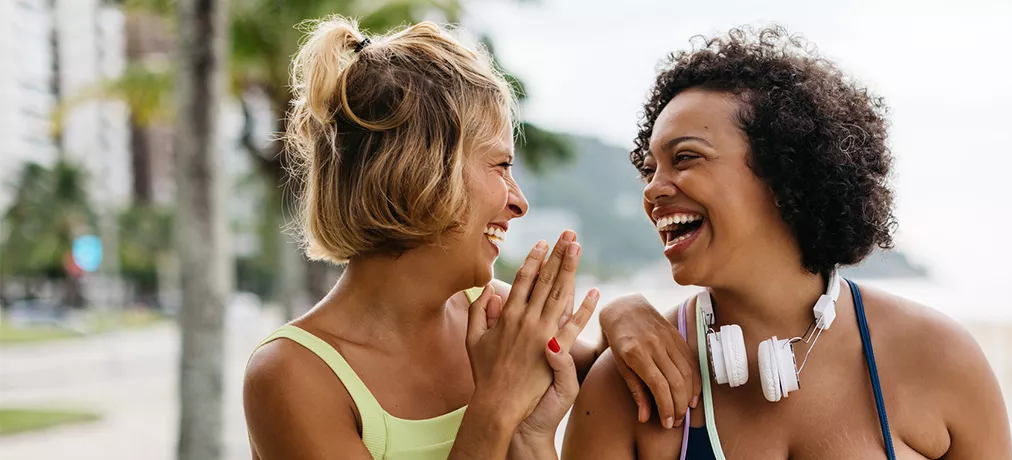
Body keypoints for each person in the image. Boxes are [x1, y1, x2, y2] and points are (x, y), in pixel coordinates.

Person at [243, 17, 696, 460]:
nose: (519, 203)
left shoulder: (493, 313)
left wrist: (623, 313)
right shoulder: (291, 375)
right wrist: (496, 402)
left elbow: (608, 373)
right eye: (500, 166)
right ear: (418, 172)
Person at [564, 26, 1012, 459]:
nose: (652, 190)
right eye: (649, 170)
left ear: (786, 173)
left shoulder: (940, 358)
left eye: (686, 158)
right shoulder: (626, 388)